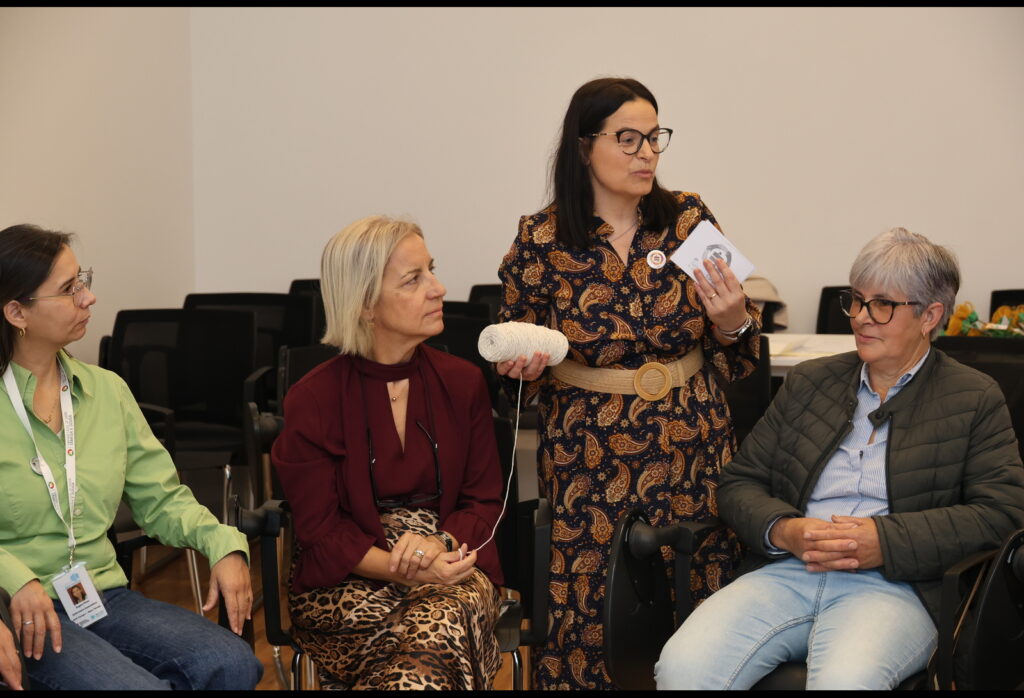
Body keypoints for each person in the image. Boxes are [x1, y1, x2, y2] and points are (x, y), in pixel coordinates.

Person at [655, 227, 1024, 690]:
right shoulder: (811, 381)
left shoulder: (974, 396)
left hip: (897, 586)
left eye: (882, 305)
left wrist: (885, 541)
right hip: (789, 572)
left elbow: (1002, 514)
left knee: (845, 682)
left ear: (930, 315)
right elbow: (738, 482)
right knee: (682, 669)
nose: (862, 318)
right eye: (857, 300)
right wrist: (784, 530)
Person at [497, 76, 762, 689]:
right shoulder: (540, 238)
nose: (647, 153)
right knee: (593, 613)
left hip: (692, 443)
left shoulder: (689, 218)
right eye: (628, 139)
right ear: (584, 146)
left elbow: (742, 354)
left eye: (654, 137)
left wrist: (733, 322)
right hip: (588, 455)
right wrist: (521, 368)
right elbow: (513, 365)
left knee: (699, 599)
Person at [0, 224, 263, 690]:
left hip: (97, 596)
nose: (89, 298)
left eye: (83, 281)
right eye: (69, 289)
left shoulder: (107, 391)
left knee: (230, 662)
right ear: (17, 312)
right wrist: (15, 578)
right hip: (19, 611)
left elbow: (162, 499)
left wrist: (222, 543)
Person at [271, 215, 506, 690]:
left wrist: (438, 548)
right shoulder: (311, 398)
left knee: (441, 621)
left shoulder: (463, 383)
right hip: (349, 576)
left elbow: (483, 501)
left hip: (450, 560)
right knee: (435, 636)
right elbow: (321, 531)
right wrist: (409, 569)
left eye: (432, 270)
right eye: (413, 279)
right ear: (365, 304)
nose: (438, 288)